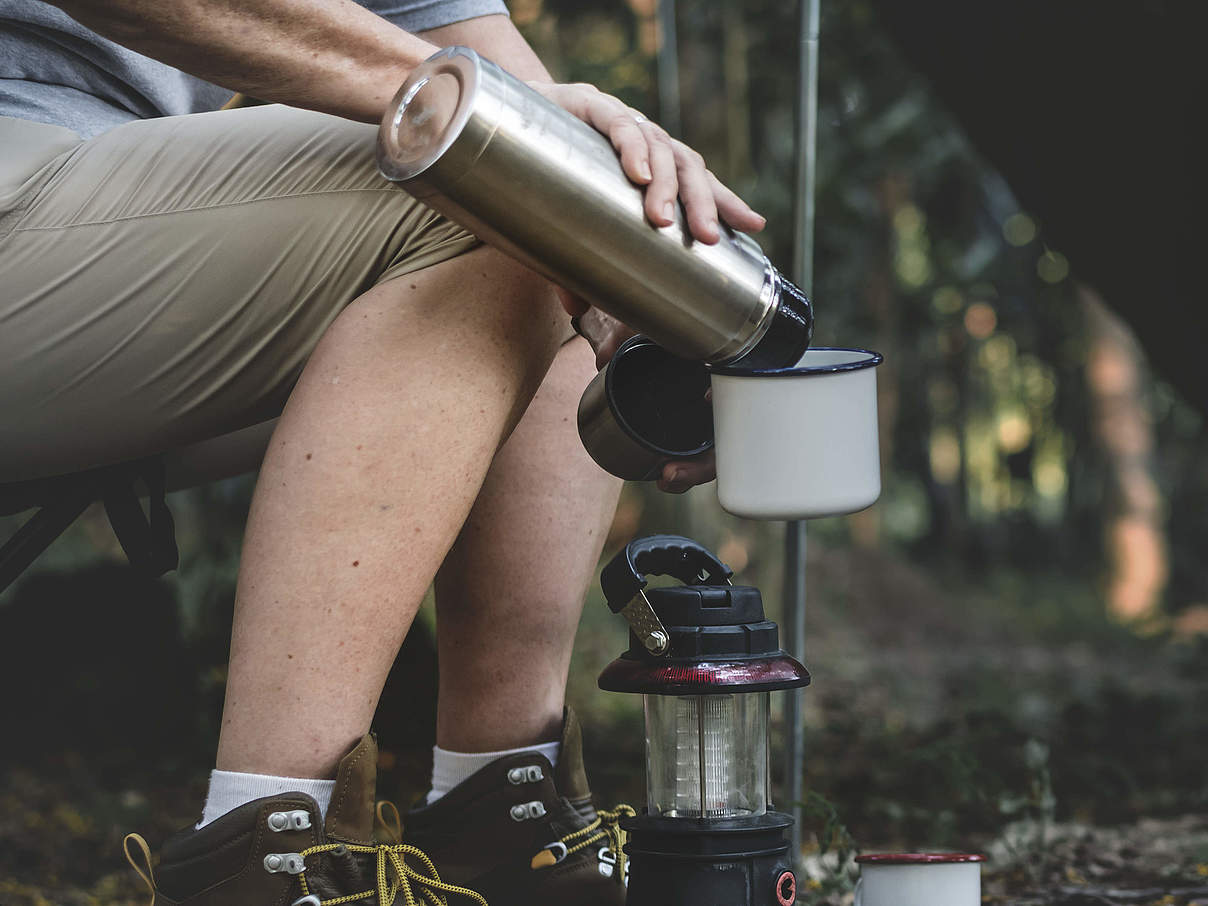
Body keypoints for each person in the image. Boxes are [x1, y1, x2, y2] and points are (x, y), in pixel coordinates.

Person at [0, 0, 750, 902]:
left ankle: (508, 822)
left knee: (573, 216)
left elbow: (476, 53)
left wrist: (666, 282)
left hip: (92, 221)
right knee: (501, 191)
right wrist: (474, 123)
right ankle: (264, 863)